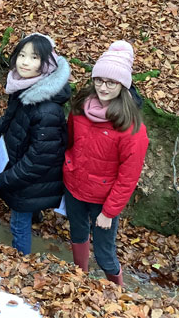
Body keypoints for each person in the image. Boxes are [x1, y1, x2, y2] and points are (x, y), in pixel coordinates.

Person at [64, 41, 149, 287]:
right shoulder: (80, 107)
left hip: (103, 200)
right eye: (99, 80)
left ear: (123, 85)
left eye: (111, 82)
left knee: (104, 253)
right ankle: (80, 279)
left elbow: (128, 176)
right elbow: (69, 141)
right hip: (74, 188)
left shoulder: (132, 127)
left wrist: (109, 212)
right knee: (77, 234)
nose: (103, 87)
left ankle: (119, 291)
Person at [0, 33, 70, 254]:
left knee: (18, 224)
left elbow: (38, 160)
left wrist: (6, 179)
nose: (24, 62)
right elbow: (8, 117)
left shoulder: (47, 108)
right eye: (22, 55)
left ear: (46, 64)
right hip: (19, 167)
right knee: (23, 212)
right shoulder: (23, 87)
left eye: (33, 57)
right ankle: (35, 216)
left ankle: (21, 262)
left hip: (29, 179)